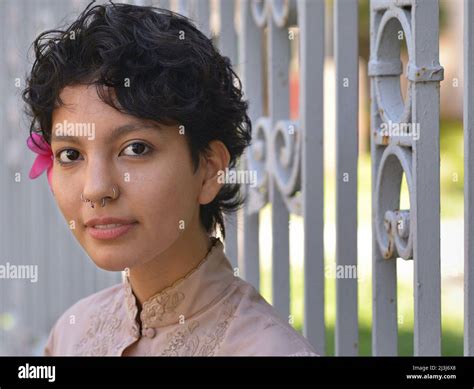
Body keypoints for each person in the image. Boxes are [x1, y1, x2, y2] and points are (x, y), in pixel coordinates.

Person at [23, 1, 317, 356]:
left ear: (209, 169)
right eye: (71, 155)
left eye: (135, 149)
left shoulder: (267, 350)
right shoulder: (71, 335)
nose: (96, 188)